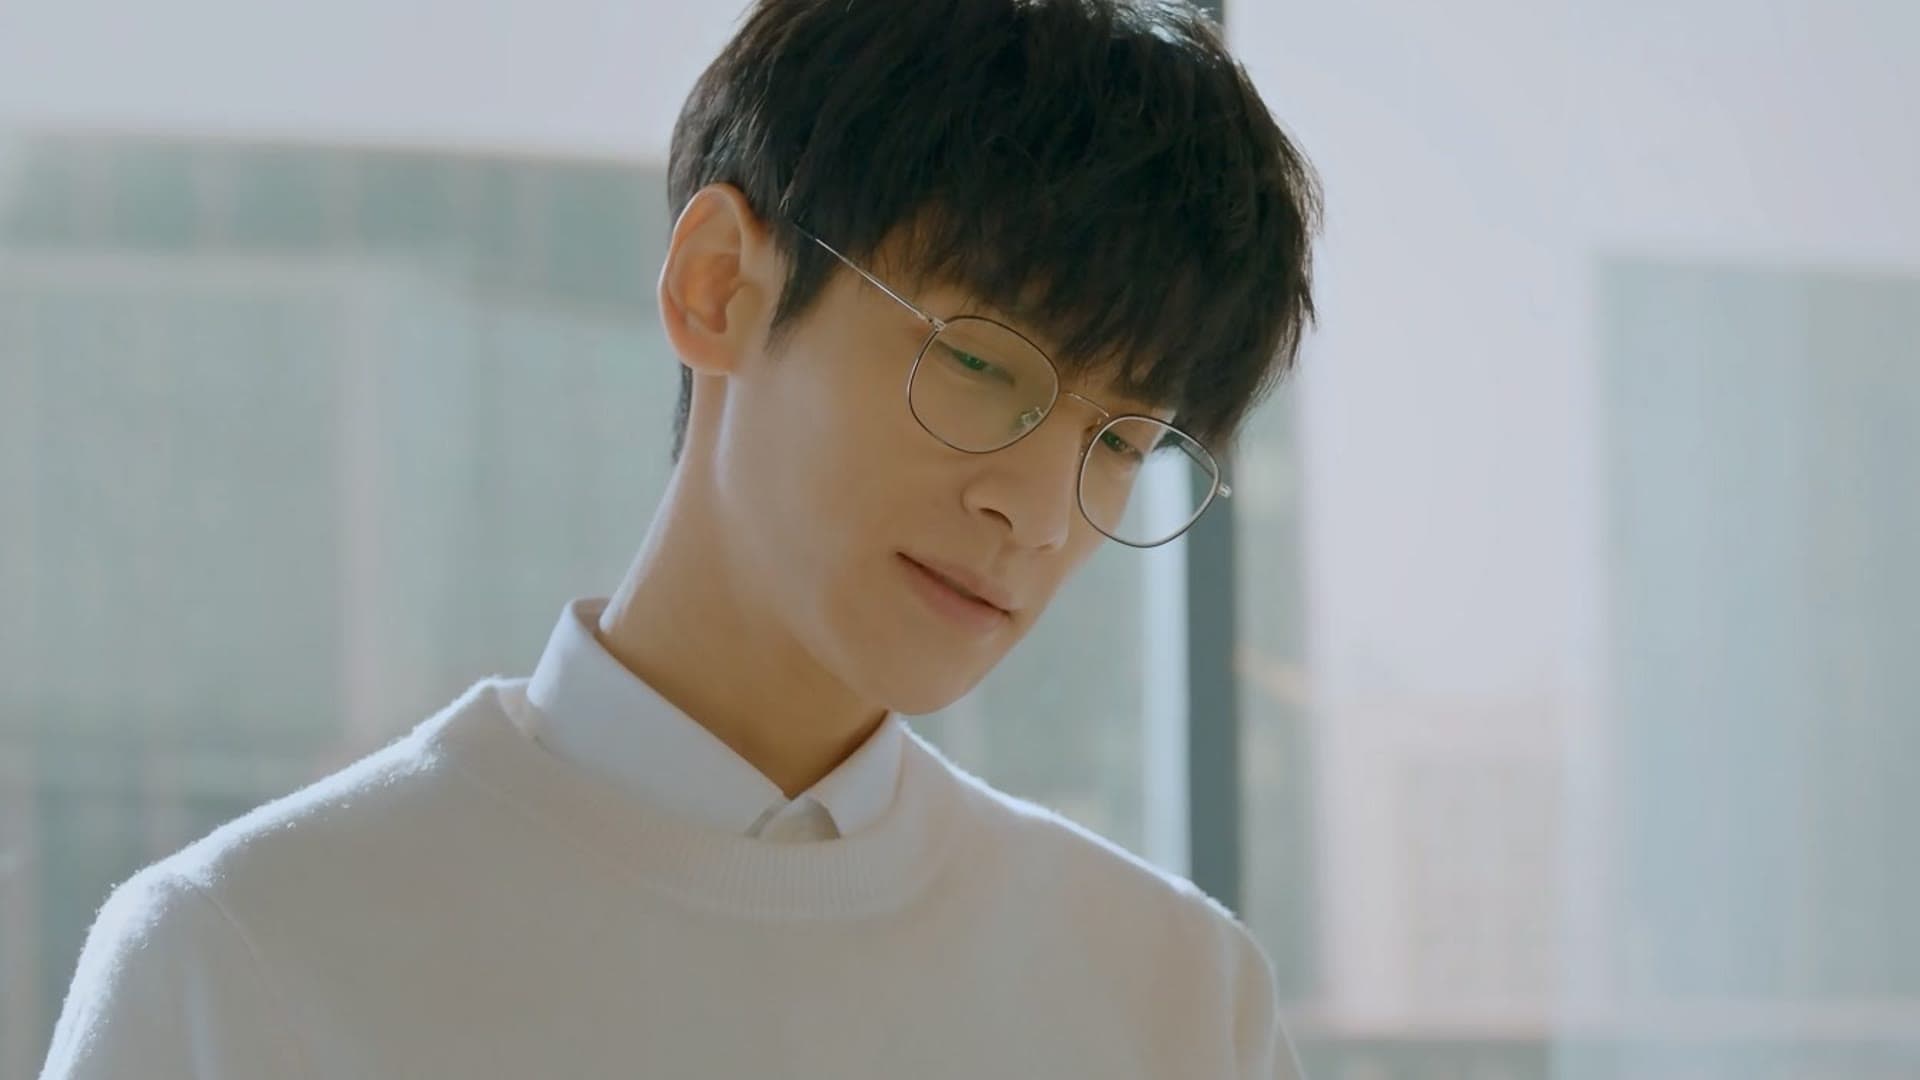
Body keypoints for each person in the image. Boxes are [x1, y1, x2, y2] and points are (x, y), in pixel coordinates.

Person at [41, 0, 1320, 1075]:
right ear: (717, 287)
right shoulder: (246, 959)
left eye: (1119, 443)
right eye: (981, 366)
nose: (1037, 514)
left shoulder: (1177, 999)